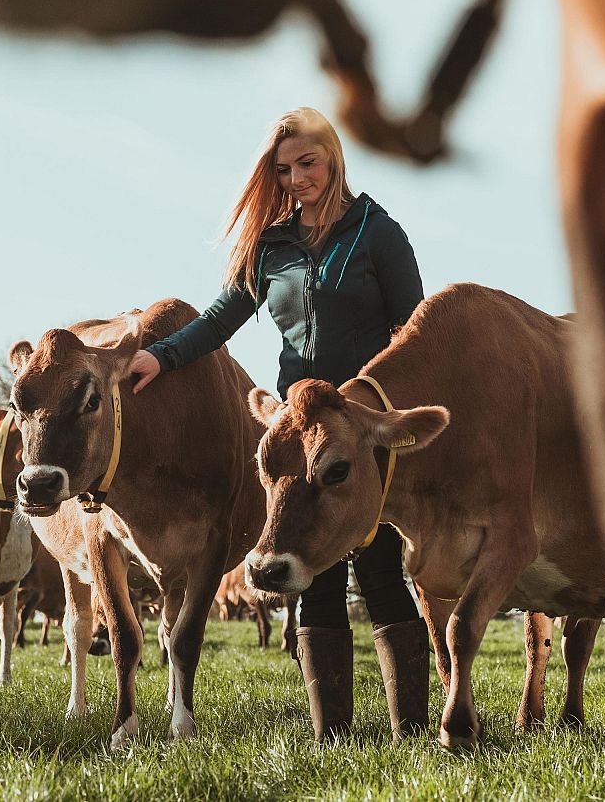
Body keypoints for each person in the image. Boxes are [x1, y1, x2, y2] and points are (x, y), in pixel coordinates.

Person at [129, 106, 428, 742]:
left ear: (334, 156)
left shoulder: (379, 232)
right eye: (284, 170)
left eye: (307, 164)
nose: (296, 180)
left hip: (357, 430)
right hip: (296, 434)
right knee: (311, 575)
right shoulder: (271, 246)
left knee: (380, 571)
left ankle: (411, 735)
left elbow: (412, 333)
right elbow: (218, 320)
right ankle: (332, 739)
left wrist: (387, 416)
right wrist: (161, 355)